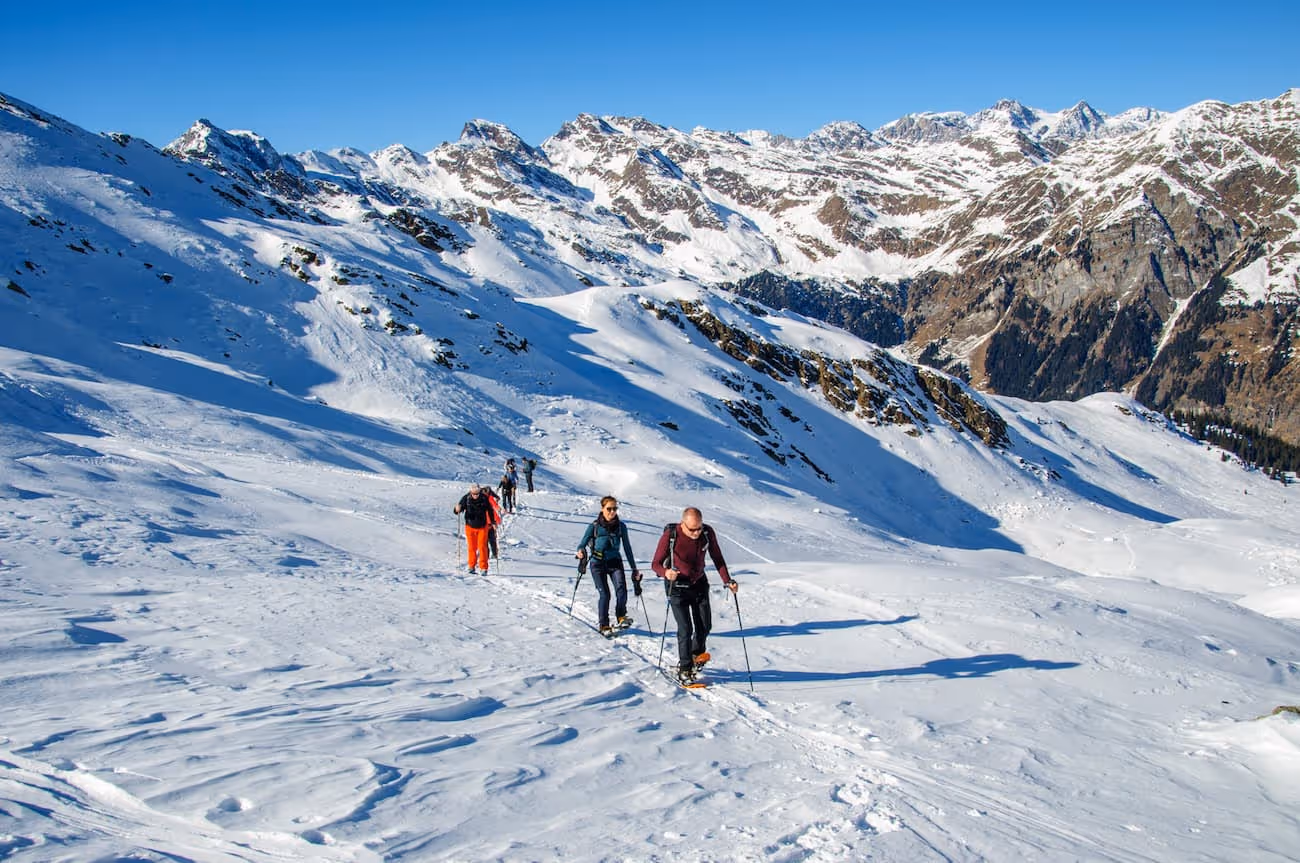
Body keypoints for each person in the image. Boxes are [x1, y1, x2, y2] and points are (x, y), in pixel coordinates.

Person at [651, 507, 737, 683]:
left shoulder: (707, 532)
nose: (697, 532)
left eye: (699, 527)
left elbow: (717, 557)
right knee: (685, 628)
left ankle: (695, 656)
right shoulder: (671, 535)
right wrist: (666, 572)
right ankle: (685, 668)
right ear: (683, 524)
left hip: (699, 583)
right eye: (692, 529)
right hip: (676, 587)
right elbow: (655, 564)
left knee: (705, 626)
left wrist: (728, 580)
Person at [575, 496, 642, 637]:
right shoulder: (594, 526)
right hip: (597, 563)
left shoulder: (621, 526)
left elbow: (628, 548)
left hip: (615, 562)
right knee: (605, 594)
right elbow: (582, 543)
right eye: (609, 509)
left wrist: (634, 568)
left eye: (615, 509)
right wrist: (580, 551)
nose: (612, 512)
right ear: (602, 509)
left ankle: (621, 616)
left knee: (622, 590)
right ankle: (604, 625)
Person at [452, 483, 497, 575]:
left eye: (477, 493)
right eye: (474, 493)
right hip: (470, 526)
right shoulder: (466, 498)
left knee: (482, 547)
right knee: (472, 547)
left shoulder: (484, 498)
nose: (475, 495)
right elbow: (458, 509)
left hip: (482, 527)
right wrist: (457, 509)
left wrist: (492, 522)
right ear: (471, 492)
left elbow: (490, 510)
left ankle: (483, 568)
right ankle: (471, 566)